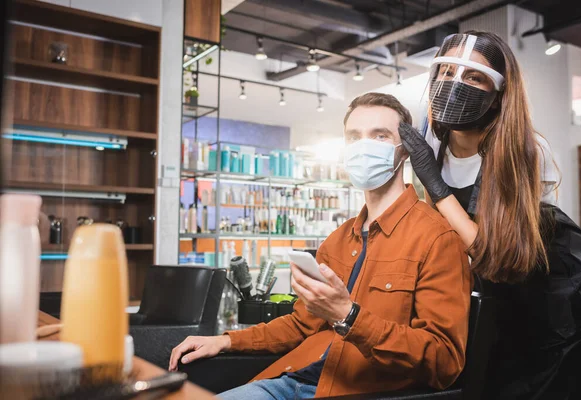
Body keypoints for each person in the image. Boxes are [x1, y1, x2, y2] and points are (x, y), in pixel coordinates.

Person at [170, 93, 472, 399]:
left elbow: (443, 361)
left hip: (357, 392)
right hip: (290, 380)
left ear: (405, 149)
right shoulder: (338, 240)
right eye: (354, 137)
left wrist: (349, 316)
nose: (364, 147)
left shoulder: (437, 239)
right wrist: (227, 341)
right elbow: (302, 325)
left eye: (379, 136)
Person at [399, 31, 581, 399]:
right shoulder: (433, 145)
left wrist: (436, 188)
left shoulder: (525, 149)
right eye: (445, 72)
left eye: (474, 76)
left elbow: (495, 258)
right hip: (486, 294)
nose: (455, 84)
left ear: (499, 92)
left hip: (545, 290)